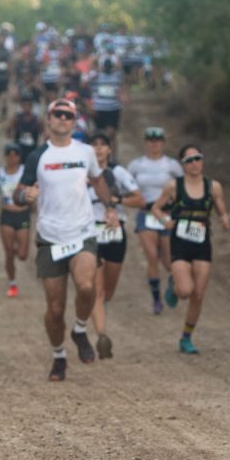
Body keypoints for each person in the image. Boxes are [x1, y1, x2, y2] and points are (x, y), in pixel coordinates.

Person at [13, 98, 119, 382]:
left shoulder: (85, 152)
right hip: (50, 238)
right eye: (57, 114)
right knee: (55, 309)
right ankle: (59, 356)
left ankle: (80, 329)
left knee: (86, 287)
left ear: (74, 122)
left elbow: (98, 181)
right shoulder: (38, 156)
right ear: (48, 120)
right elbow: (18, 192)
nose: (62, 119)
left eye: (68, 115)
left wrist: (110, 208)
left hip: (82, 232)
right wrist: (25, 196)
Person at [151, 145, 230, 354]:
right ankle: (174, 284)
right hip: (180, 241)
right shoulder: (173, 186)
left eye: (197, 158)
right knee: (185, 291)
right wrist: (164, 220)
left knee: (198, 294)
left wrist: (223, 217)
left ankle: (186, 337)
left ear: (202, 160)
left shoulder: (213, 187)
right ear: (183, 164)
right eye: (189, 160)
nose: (194, 163)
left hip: (202, 243)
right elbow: (156, 208)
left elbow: (220, 205)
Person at [87, 133, 145, 359]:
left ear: (110, 150)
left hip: (114, 233)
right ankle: (102, 336)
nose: (99, 149)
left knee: (108, 290)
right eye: (94, 145)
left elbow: (140, 200)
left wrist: (117, 201)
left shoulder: (119, 173)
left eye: (103, 145)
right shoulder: (81, 173)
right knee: (96, 289)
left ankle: (100, 311)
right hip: (90, 233)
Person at [126, 127, 183, 314]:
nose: (154, 143)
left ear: (163, 142)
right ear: (145, 143)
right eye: (150, 140)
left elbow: (184, 187)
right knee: (151, 257)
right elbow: (126, 186)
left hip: (166, 215)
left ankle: (173, 282)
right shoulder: (136, 165)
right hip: (146, 214)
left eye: (158, 140)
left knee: (168, 260)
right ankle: (156, 299)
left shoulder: (172, 165)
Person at [0, 143, 30, 298]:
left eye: (15, 155)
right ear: (5, 156)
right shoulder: (0, 173)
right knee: (9, 253)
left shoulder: (24, 172)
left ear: (19, 157)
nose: (12, 158)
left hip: (22, 215)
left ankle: (17, 248)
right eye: (9, 155)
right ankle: (12, 283)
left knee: (22, 255)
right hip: (7, 215)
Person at [90, 57, 128, 141]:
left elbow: (121, 89)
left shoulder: (118, 76)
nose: (107, 68)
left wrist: (123, 97)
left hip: (113, 109)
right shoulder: (96, 76)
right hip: (99, 109)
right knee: (100, 134)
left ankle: (111, 152)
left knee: (111, 133)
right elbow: (88, 87)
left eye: (109, 66)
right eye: (105, 66)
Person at [6, 96, 44, 160]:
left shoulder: (37, 120)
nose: (26, 107)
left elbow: (42, 132)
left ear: (31, 106)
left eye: (28, 105)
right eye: (24, 105)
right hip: (19, 150)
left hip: (32, 150)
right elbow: (8, 133)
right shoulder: (16, 119)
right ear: (21, 106)